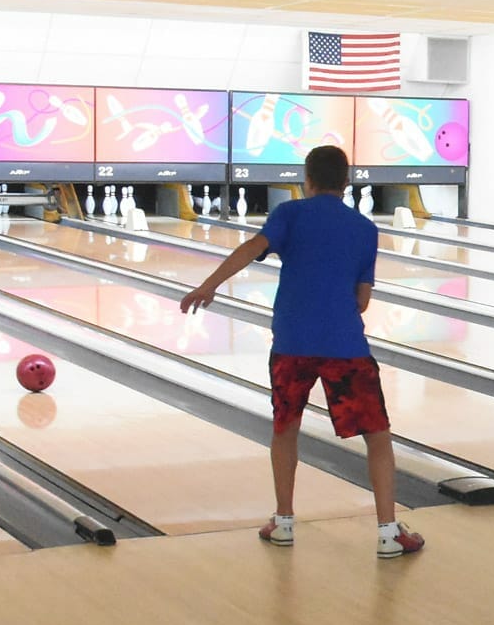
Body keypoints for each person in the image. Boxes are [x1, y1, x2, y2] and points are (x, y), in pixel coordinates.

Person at [179, 145, 423, 558]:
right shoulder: (365, 228)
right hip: (345, 347)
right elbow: (362, 299)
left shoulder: (289, 214)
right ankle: (387, 532)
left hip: (291, 345)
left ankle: (284, 523)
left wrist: (209, 284)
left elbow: (251, 249)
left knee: (285, 428)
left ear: (305, 181)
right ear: (347, 183)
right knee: (377, 437)